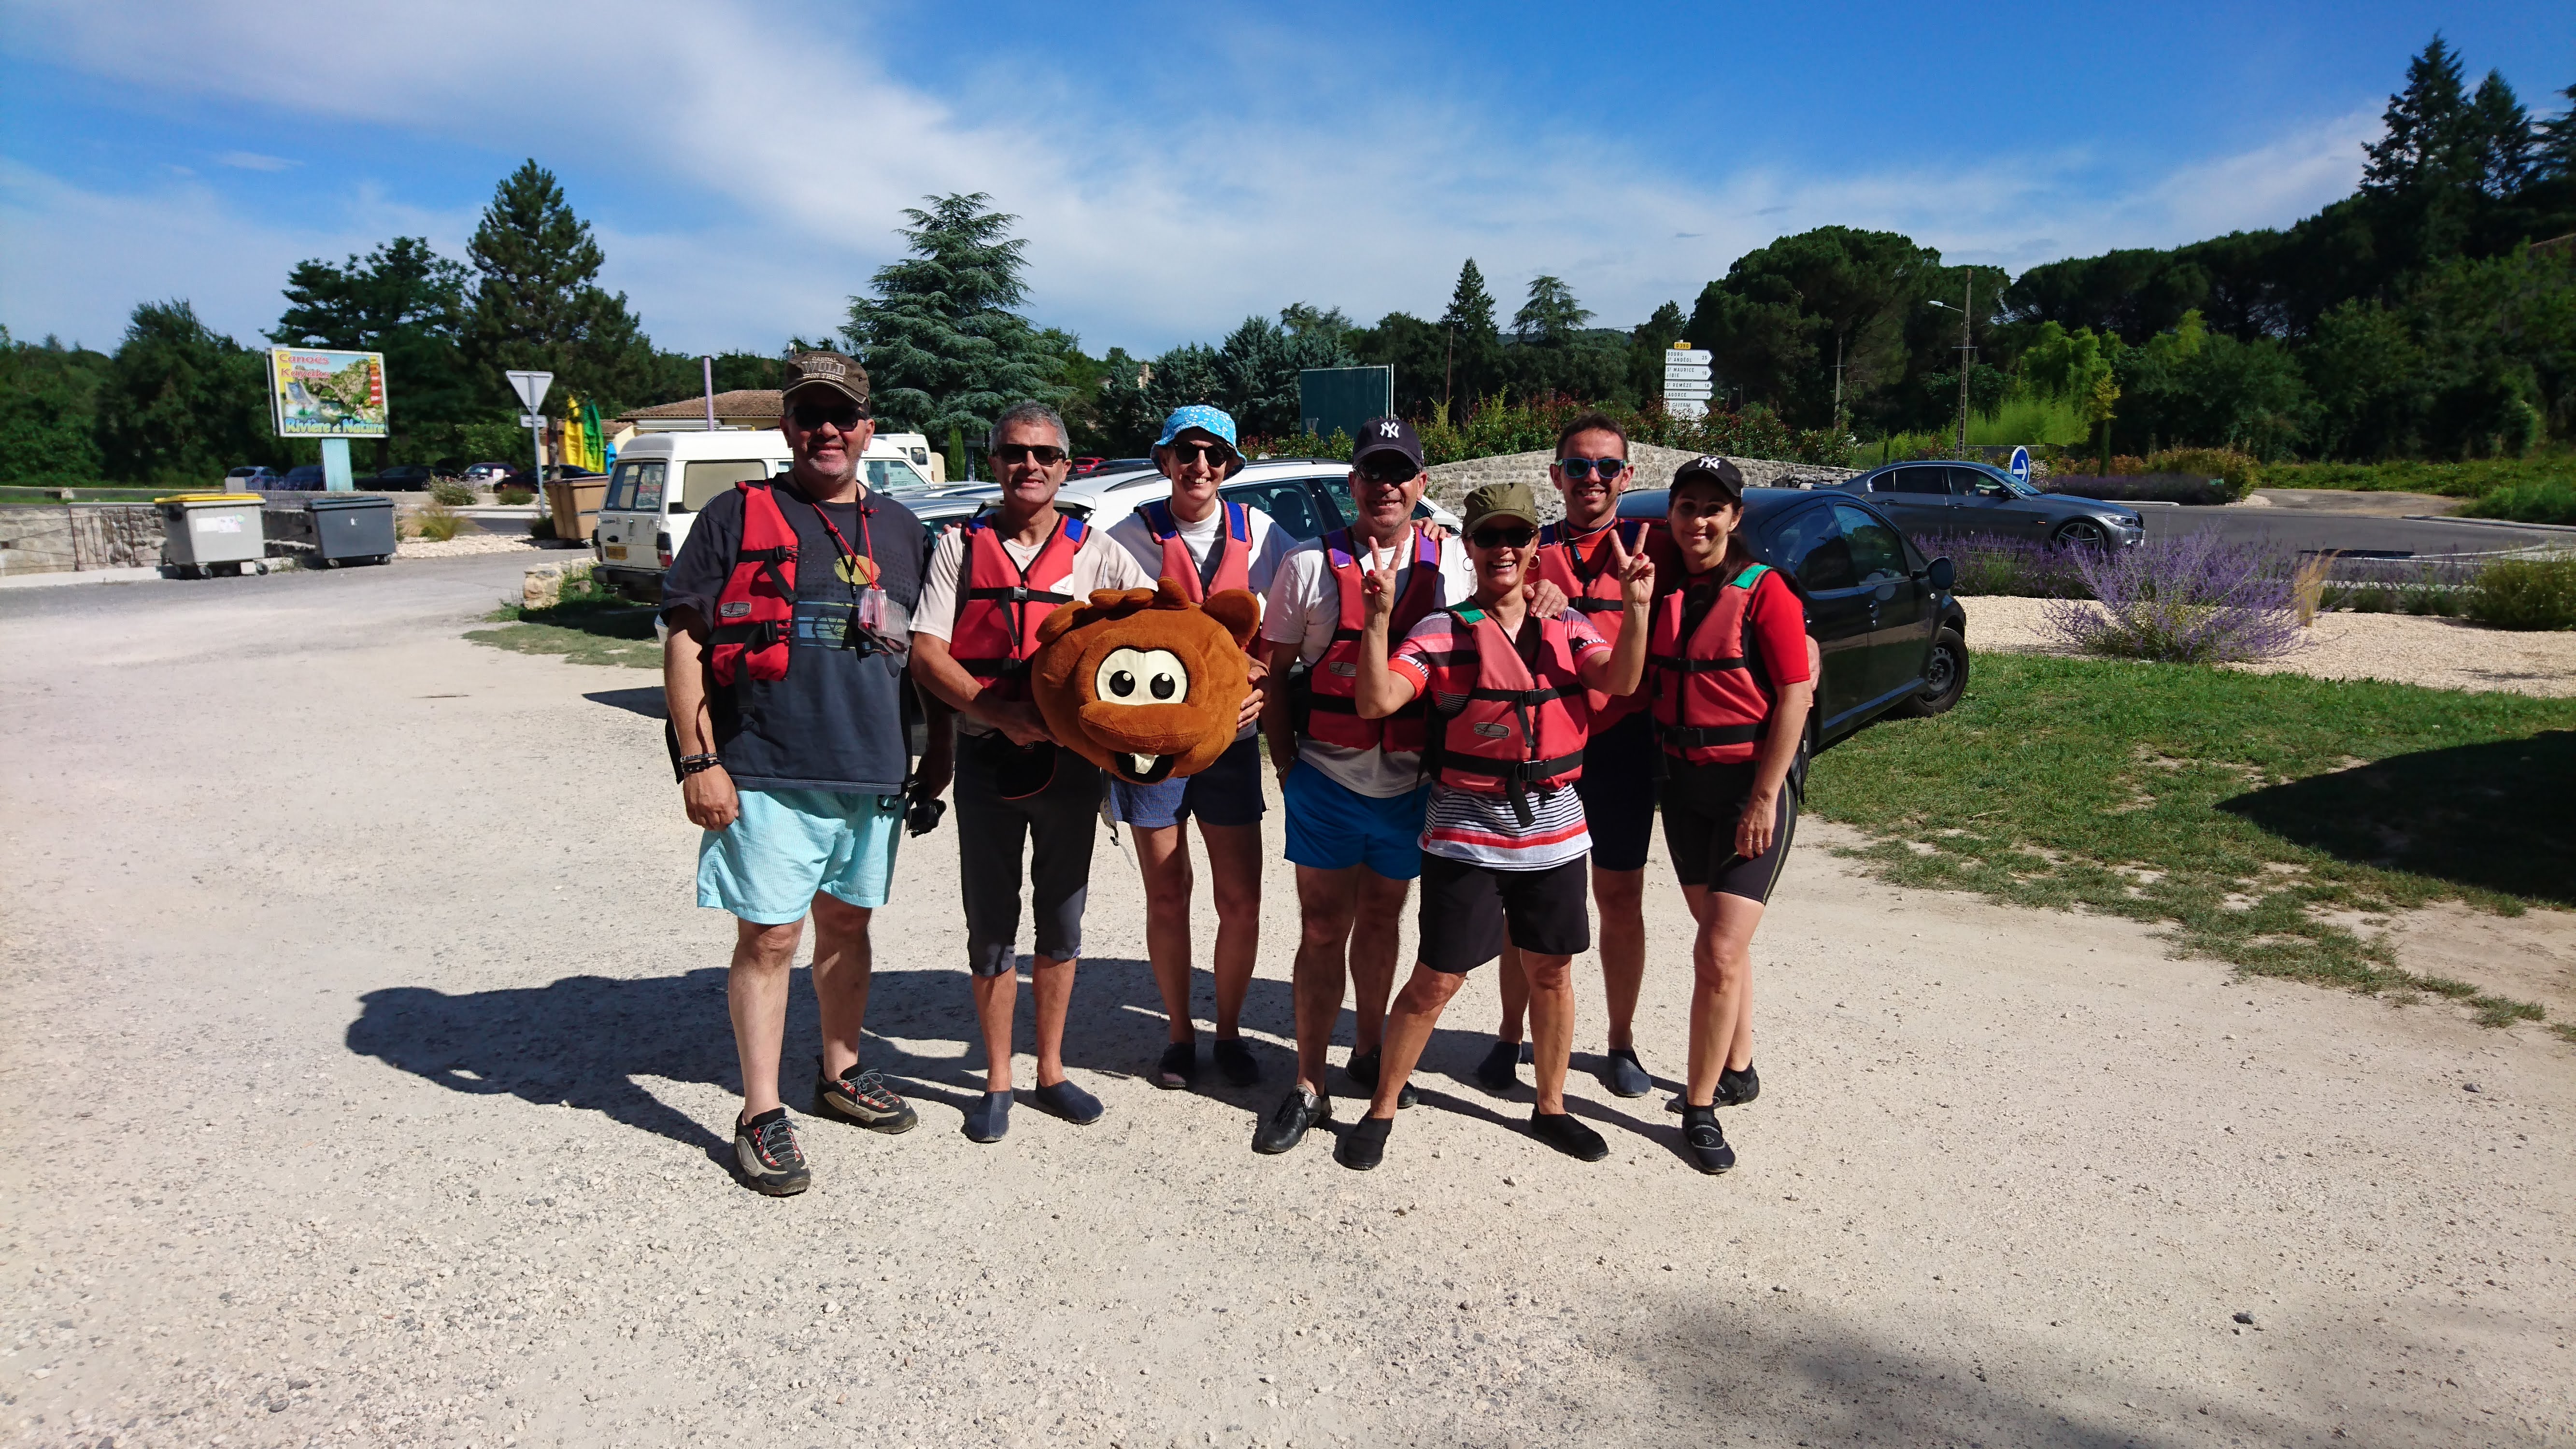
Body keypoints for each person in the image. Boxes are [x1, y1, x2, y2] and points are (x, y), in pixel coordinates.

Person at [661, 349, 939, 1196]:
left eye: (843, 415)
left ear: (865, 427)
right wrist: (698, 761)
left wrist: (937, 761)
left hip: (873, 770)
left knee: (848, 930)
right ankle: (759, 1109)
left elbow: (928, 656)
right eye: (810, 415)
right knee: (772, 936)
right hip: (765, 768)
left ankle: (841, 1071)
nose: (828, 429)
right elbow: (683, 638)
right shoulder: (735, 515)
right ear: (787, 427)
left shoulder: (903, 528)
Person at [1337, 481, 1654, 1171]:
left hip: (1555, 833)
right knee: (1436, 981)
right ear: (1468, 547)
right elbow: (1377, 698)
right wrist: (1375, 619)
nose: (1502, 549)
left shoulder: (1568, 627)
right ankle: (1382, 1106)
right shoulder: (1440, 631)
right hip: (1465, 833)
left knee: (1551, 971)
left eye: (1516, 537)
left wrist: (1635, 610)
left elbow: (1621, 680)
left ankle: (1551, 1108)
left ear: (1534, 547)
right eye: (1488, 538)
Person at [910, 403, 1156, 1145]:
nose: (1030, 467)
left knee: (1062, 919)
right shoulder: (959, 547)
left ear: (1067, 465)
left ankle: (1050, 1069)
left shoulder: (1099, 553)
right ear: (994, 462)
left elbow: (1151, 634)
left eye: (1045, 455)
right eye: (1015, 454)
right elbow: (926, 651)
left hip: (1069, 766)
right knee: (991, 926)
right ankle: (996, 1080)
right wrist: (997, 712)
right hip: (989, 757)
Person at [1249, 417, 1472, 1153]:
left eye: (1398, 473)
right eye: (1371, 473)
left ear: (1420, 485)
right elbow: (1274, 673)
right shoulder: (1309, 566)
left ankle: (1371, 1051)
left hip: (1412, 784)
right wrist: (1284, 764)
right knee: (1321, 929)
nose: (1384, 486)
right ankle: (1307, 1082)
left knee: (1383, 920)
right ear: (1352, 485)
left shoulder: (1455, 567)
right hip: (1326, 779)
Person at [1478, 412, 1683, 1102]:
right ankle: (1510, 1036)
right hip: (1542, 749)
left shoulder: (1658, 547)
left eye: (1604, 467)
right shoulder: (1527, 550)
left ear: (1627, 476)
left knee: (1619, 898)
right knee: (1522, 900)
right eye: (1576, 466)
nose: (1590, 478)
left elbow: (1734, 576)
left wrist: (1801, 639)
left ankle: (1620, 1040)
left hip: (1622, 747)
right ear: (1555, 475)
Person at [1102, 406, 1293, 1091]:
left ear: (1230, 465)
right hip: (1152, 747)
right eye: (1187, 452)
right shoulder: (1126, 538)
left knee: (1240, 900)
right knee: (1167, 895)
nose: (1200, 467)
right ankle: (1179, 1035)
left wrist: (1265, 683)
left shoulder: (1263, 535)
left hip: (1232, 742)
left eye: (1214, 455)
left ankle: (1231, 1031)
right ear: (1163, 460)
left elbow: (1287, 625)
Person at [1647, 457, 1814, 1174]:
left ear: (1736, 517)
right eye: (1687, 506)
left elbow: (1794, 698)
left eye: (1714, 508)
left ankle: (1700, 1106)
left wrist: (1763, 798)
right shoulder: (1659, 586)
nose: (1699, 520)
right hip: (1683, 790)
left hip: (1750, 792)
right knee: (1720, 942)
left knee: (1714, 954)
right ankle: (1739, 1066)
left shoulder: (1764, 591)